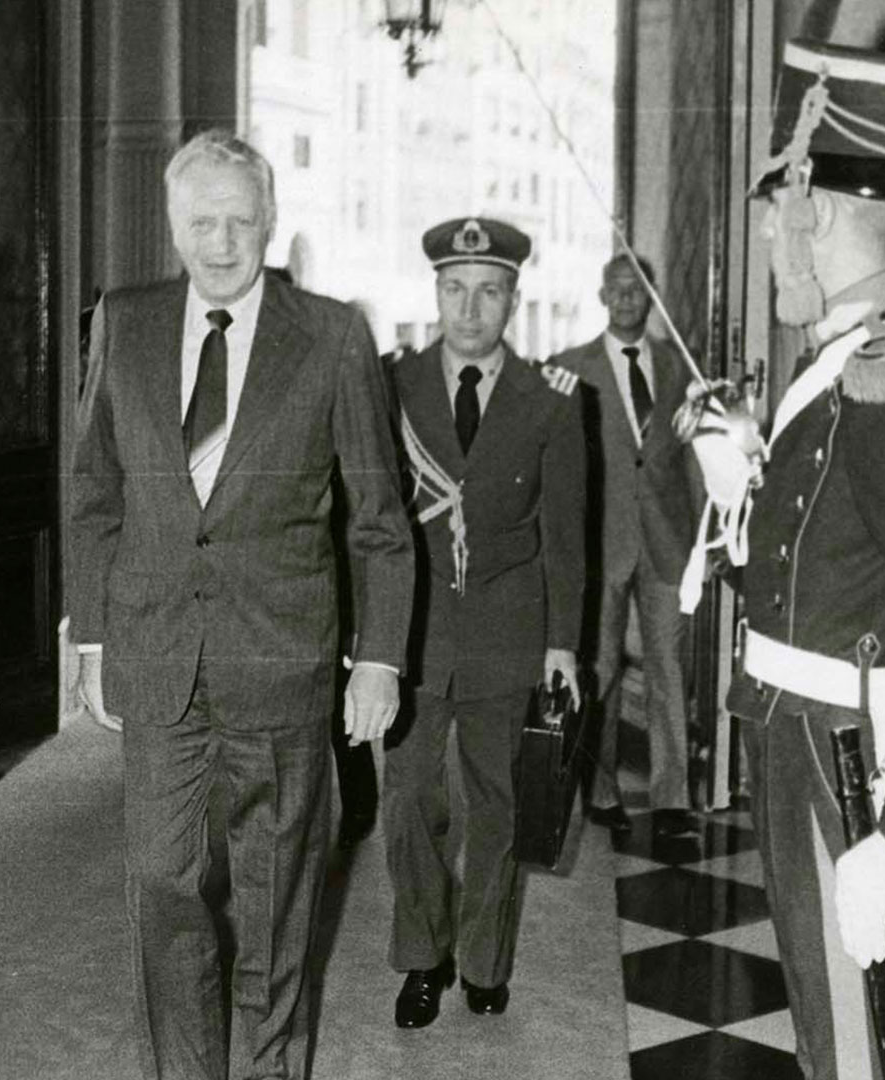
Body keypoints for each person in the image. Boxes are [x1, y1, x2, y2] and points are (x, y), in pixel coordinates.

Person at [67, 129, 414, 1080]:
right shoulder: (124, 323)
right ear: (171, 226)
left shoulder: (334, 334)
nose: (220, 243)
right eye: (199, 222)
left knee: (275, 904)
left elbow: (380, 517)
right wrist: (91, 635)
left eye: (238, 221)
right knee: (161, 883)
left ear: (269, 223)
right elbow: (95, 490)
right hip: (158, 656)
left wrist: (378, 657)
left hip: (283, 660)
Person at [693, 40, 885, 1080]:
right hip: (808, 750)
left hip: (860, 775)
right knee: (836, 1047)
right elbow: (835, 578)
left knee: (869, 1057)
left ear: (810, 208)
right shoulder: (846, 362)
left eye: (778, 202)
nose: (772, 224)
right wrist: (742, 496)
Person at [383, 217, 585, 1029]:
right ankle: (422, 959)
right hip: (414, 632)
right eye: (456, 289)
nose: (470, 308)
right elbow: (369, 522)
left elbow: (566, 537)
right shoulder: (391, 386)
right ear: (436, 293)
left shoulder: (554, 402)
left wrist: (563, 645)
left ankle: (484, 962)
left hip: (509, 631)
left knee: (499, 807)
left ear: (513, 300)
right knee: (410, 805)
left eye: (489, 291)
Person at [548, 255, 698, 842]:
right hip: (599, 543)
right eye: (617, 290)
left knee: (669, 672)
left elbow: (690, 458)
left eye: (637, 290)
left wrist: (705, 541)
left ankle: (672, 799)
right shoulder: (570, 369)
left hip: (667, 543)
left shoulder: (679, 368)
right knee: (600, 671)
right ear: (601, 295)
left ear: (650, 296)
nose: (628, 299)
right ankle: (601, 789)